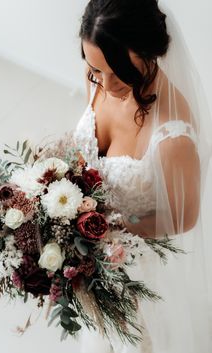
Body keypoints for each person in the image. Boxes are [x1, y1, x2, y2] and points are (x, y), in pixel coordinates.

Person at [74, 0, 212, 352]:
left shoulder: (173, 137)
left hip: (134, 264)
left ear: (148, 51)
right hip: (86, 248)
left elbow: (185, 217)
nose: (104, 84)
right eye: (95, 71)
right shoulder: (103, 77)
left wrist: (114, 228)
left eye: (117, 73)